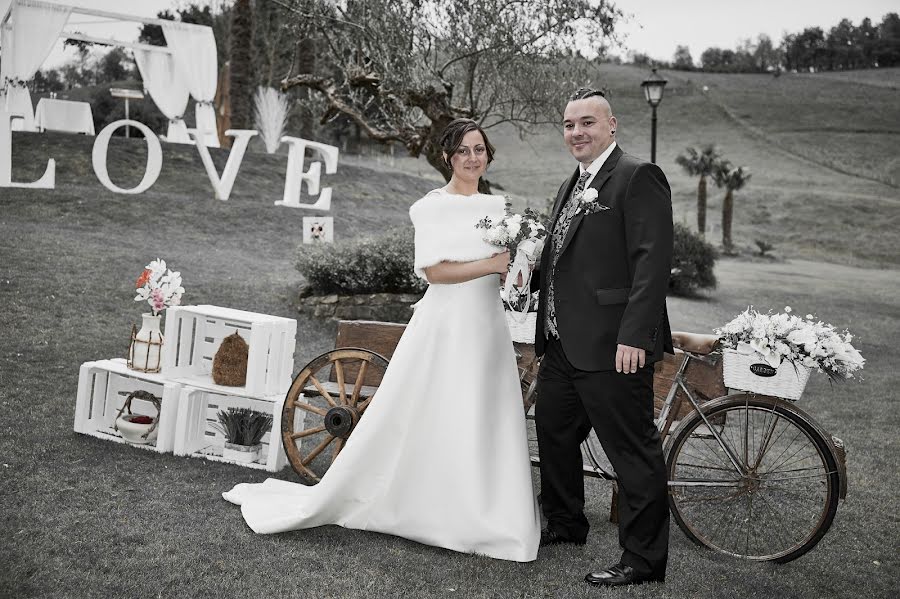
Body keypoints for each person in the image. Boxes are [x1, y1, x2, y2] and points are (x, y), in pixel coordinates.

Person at [223, 118, 541, 562]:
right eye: (465, 150)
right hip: (447, 326)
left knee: (481, 413)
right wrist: (490, 265)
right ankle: (425, 507)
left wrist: (517, 267)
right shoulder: (433, 207)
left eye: (480, 149)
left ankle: (485, 511)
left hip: (487, 326)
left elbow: (509, 269)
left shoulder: (498, 209)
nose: (474, 157)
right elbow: (434, 272)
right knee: (435, 411)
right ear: (448, 156)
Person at [533, 88, 674, 586]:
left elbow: (652, 264)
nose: (577, 132)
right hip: (562, 346)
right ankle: (567, 524)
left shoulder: (638, 177)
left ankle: (641, 559)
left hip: (615, 347)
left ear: (612, 126)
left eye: (588, 123)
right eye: (570, 125)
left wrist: (635, 336)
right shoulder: (574, 182)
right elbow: (569, 258)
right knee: (552, 434)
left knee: (631, 453)